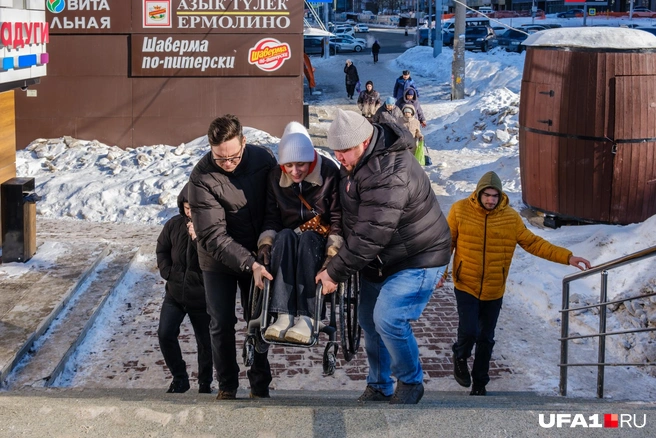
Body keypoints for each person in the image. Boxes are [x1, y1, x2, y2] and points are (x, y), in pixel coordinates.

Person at [315, 110, 452, 405]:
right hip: (381, 259)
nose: (340, 158)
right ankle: (379, 384)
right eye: (335, 152)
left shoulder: (390, 170)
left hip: (419, 255)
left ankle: (411, 381)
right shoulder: (355, 162)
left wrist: (334, 272)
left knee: (388, 318)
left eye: (345, 152)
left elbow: (371, 232)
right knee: (367, 319)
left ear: (365, 142)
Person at [446, 171, 592, 396]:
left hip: (495, 288)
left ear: (500, 196)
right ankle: (460, 355)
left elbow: (534, 243)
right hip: (466, 283)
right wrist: (438, 272)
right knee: (469, 331)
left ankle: (480, 383)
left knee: (486, 338)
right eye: (487, 195)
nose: (491, 200)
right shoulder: (459, 210)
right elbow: (447, 243)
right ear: (478, 193)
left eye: (495, 196)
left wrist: (568, 257)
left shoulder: (511, 218)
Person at [188, 114, 276, 400]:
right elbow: (212, 236)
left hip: (257, 254)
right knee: (221, 322)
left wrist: (265, 245)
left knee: (258, 320)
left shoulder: (263, 160)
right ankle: (227, 384)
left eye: (234, 157)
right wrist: (248, 263)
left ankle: (259, 385)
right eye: (220, 158)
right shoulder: (201, 177)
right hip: (217, 260)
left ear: (244, 142)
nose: (227, 164)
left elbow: (275, 205)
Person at [254, 122, 343, 344]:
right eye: (289, 165)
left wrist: (333, 254)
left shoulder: (329, 173)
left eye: (301, 164)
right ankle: (283, 314)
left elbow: (338, 219)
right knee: (283, 236)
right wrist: (265, 243)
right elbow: (272, 216)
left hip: (319, 240)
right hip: (289, 236)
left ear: (311, 159)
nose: (295, 171)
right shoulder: (275, 177)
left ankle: (308, 316)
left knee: (309, 239)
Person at [156, 183, 213, 394]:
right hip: (175, 294)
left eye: (195, 208)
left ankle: (205, 383)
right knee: (165, 334)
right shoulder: (173, 225)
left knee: (206, 344)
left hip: (202, 297)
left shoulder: (211, 228)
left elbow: (214, 259)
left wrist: (198, 238)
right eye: (188, 208)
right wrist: (167, 272)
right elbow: (162, 249)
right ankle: (179, 377)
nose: (191, 213)